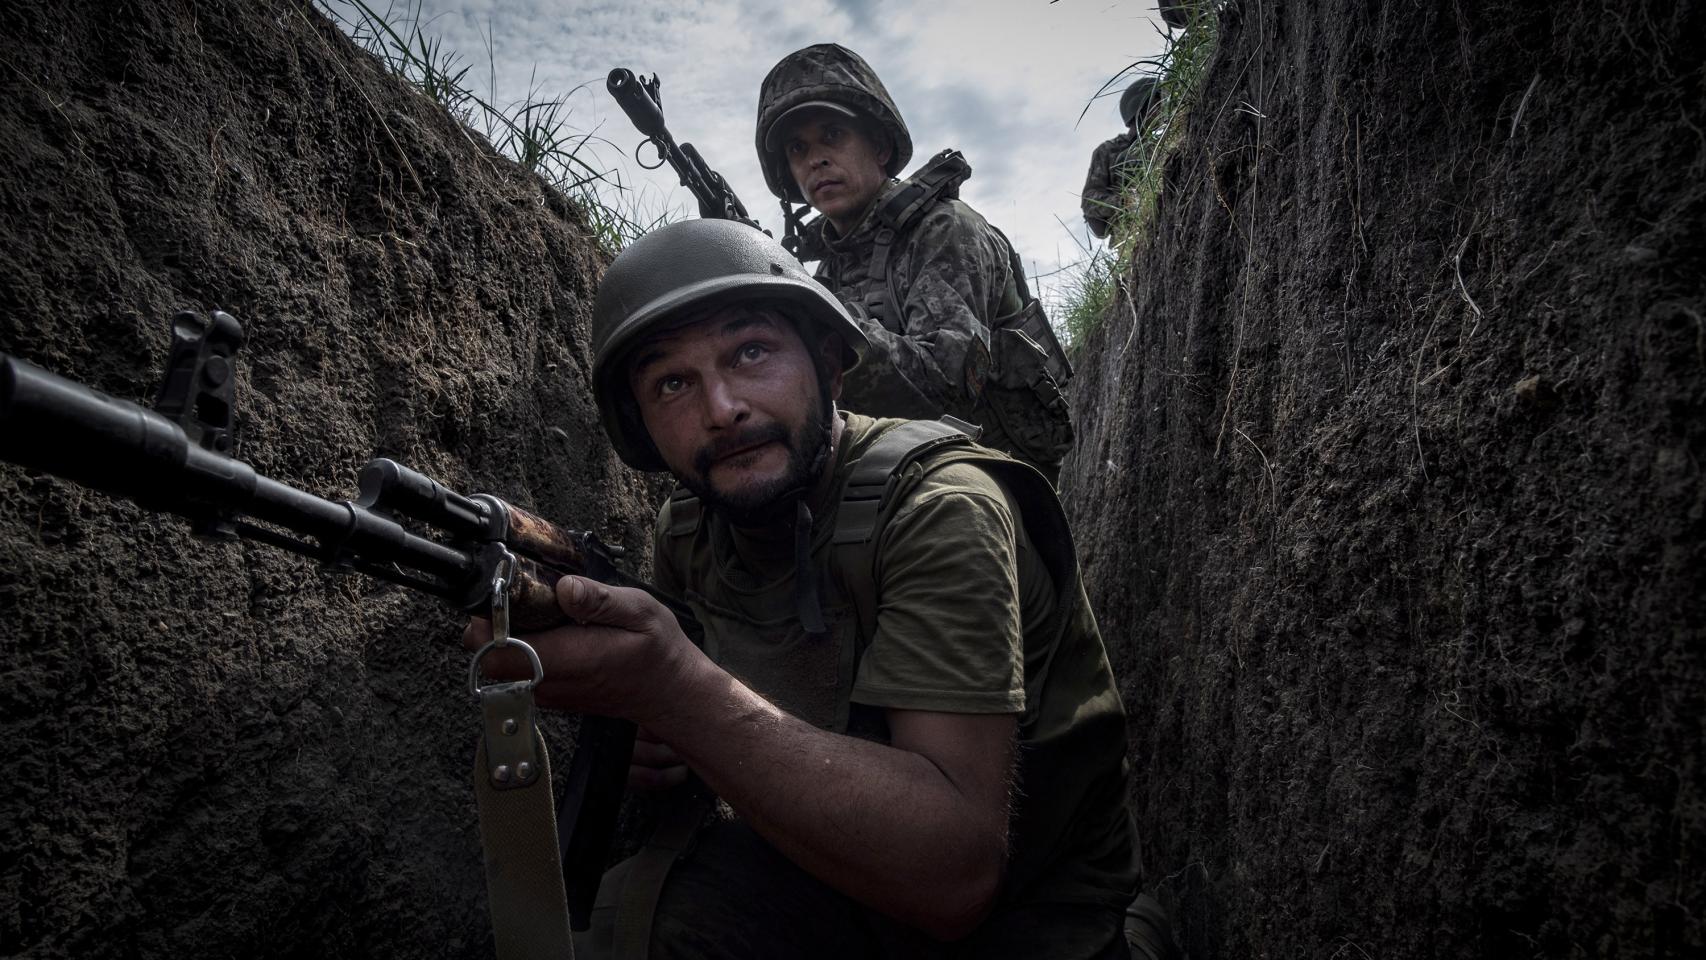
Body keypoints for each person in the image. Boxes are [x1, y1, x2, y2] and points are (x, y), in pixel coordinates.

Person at [469, 218, 1148, 958]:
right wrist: (650, 738)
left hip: (1033, 926)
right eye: (672, 383)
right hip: (821, 878)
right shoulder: (691, 529)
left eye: (751, 352)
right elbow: (700, 739)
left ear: (829, 362)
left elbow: (955, 879)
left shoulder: (942, 507)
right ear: (641, 427)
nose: (721, 407)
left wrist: (673, 693)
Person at [755, 43, 1075, 483]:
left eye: (832, 135)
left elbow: (946, 394)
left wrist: (824, 319)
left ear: (880, 147)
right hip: (894, 480)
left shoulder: (946, 230)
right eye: (797, 148)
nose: (816, 160)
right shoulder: (832, 266)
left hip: (989, 482)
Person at [1081, 75, 1161, 240]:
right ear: (1140, 108)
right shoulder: (1109, 151)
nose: (1161, 108)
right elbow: (1089, 201)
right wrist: (1126, 202)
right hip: (1131, 237)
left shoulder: (1162, 145)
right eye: (1156, 102)